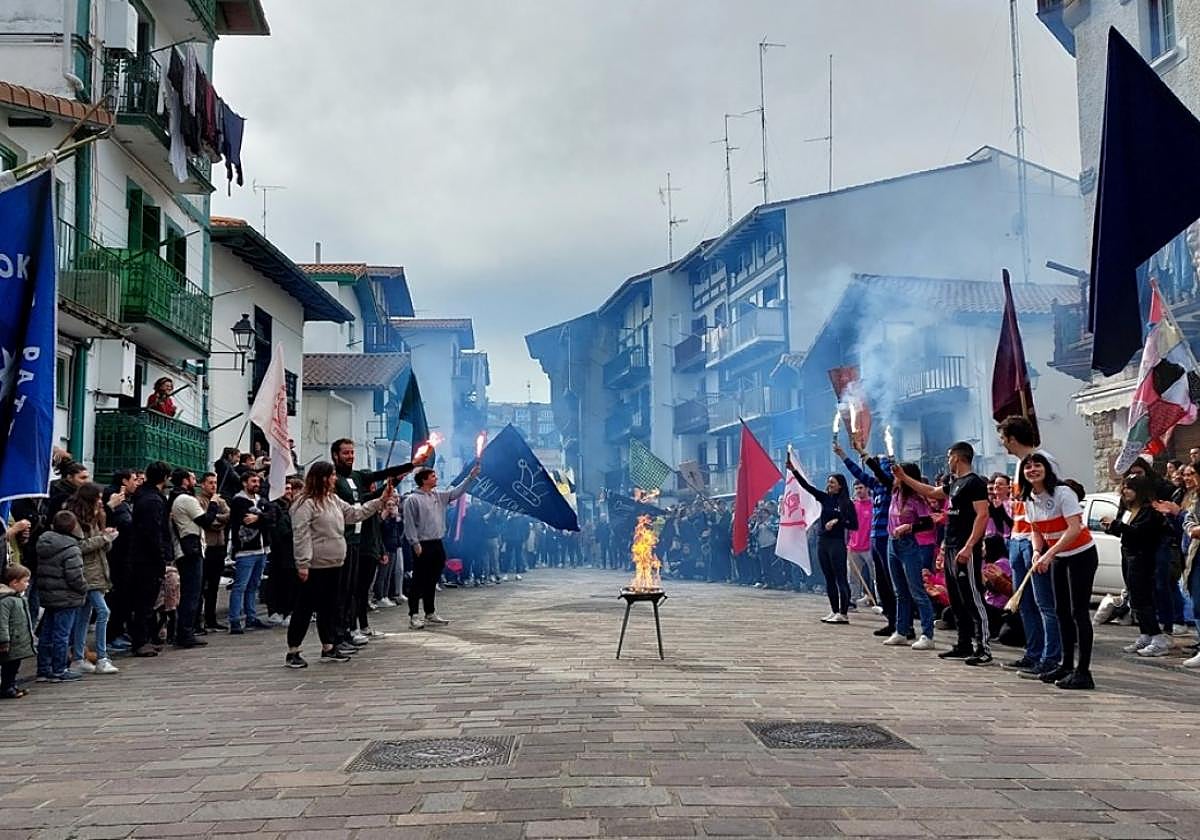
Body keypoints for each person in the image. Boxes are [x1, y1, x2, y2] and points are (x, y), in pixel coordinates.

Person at [894, 442, 992, 665]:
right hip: (951, 546)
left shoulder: (974, 482)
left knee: (972, 598)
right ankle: (963, 644)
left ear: (957, 457)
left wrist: (970, 546)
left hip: (966, 547)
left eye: (949, 456)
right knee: (956, 599)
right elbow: (930, 491)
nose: (947, 461)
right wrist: (904, 477)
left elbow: (982, 515)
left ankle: (983, 648)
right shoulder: (953, 482)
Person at [287, 462, 393, 667]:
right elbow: (301, 534)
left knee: (329, 606)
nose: (335, 479)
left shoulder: (333, 500)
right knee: (305, 607)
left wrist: (380, 501)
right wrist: (303, 563)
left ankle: (328, 646)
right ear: (322, 478)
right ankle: (294, 649)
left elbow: (355, 514)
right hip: (315, 564)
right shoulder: (305, 504)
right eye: (332, 475)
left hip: (335, 562)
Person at [329, 439, 422, 651]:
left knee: (353, 591)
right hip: (343, 540)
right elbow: (362, 501)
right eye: (345, 453)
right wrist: (383, 492)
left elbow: (383, 474)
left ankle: (348, 632)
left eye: (352, 452)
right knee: (344, 591)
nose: (350, 456)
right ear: (335, 455)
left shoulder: (357, 476)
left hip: (357, 542)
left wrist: (411, 465)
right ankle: (339, 634)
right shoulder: (335, 480)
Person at [1021, 454, 1099, 690]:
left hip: (1081, 555)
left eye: (1037, 465)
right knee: (1060, 611)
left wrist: (1049, 554)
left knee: (1079, 612)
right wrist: (1037, 551)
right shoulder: (1029, 498)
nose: (1032, 470)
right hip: (1059, 557)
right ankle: (1065, 665)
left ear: (1047, 469)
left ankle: (1083, 671)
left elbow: (1074, 529)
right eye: (1027, 466)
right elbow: (1036, 530)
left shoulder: (1063, 493)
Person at [997, 416, 1062, 680]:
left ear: (1012, 439)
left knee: (1044, 603)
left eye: (1003, 438)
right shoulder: (1018, 466)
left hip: (1036, 541)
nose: (1002, 443)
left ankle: (1051, 657)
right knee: (1024, 603)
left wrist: (1044, 545)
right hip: (1017, 537)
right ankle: (1033, 652)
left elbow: (1051, 502)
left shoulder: (1043, 461)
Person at [403, 465, 480, 630]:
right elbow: (408, 523)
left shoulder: (438, 495)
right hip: (422, 544)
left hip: (437, 542)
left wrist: (470, 478)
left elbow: (456, 493)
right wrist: (414, 543)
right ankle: (413, 615)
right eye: (433, 476)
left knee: (432, 579)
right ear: (424, 480)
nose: (436, 478)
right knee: (418, 580)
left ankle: (430, 612)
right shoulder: (412, 499)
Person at [1106, 474, 1169, 659]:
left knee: (1143, 598)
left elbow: (1140, 532)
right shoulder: (1127, 509)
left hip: (1142, 557)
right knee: (1133, 597)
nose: (1126, 491)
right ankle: (1145, 634)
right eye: (1124, 487)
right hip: (1127, 554)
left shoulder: (1149, 511)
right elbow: (1123, 532)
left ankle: (1157, 638)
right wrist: (1111, 526)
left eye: (1130, 488)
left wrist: (1118, 525)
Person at [786, 464, 858, 624]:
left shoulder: (847, 503)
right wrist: (794, 471)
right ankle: (834, 610)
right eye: (828, 482)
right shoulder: (824, 498)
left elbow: (854, 525)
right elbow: (807, 487)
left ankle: (843, 613)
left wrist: (838, 521)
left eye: (832, 482)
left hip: (837, 543)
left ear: (840, 485)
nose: (829, 485)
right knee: (829, 578)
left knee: (840, 578)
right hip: (823, 541)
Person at [837, 442, 896, 635]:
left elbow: (880, 473)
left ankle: (902, 624)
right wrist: (843, 455)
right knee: (882, 581)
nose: (875, 474)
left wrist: (863, 453)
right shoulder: (876, 486)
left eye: (880, 468)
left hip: (886, 538)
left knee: (888, 581)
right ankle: (891, 621)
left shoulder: (890, 486)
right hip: (874, 539)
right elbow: (857, 473)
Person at [65, 484, 119, 675]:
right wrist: (104, 539)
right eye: (98, 497)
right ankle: (102, 658)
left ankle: (79, 657)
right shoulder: (76, 520)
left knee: (84, 616)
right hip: (86, 572)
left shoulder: (94, 517)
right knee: (103, 611)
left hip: (97, 570)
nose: (101, 501)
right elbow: (79, 546)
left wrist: (106, 536)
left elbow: (100, 545)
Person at [884, 463, 937, 650]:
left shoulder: (916, 499)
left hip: (909, 545)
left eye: (899, 474)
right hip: (892, 543)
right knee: (900, 591)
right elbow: (878, 474)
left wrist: (910, 527)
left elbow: (928, 523)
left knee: (917, 591)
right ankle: (901, 631)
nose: (895, 477)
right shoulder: (895, 493)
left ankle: (927, 634)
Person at [169, 469, 220, 648]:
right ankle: (185, 632)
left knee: (191, 593)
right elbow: (206, 520)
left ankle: (185, 631)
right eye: (192, 478)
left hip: (187, 549)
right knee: (191, 593)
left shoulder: (177, 498)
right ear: (184, 481)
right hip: (190, 550)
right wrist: (213, 503)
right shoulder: (186, 499)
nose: (195, 481)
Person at [35, 511, 89, 682]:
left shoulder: (44, 543)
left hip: (48, 593)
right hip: (66, 596)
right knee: (62, 634)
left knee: (47, 633)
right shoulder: (71, 548)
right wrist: (84, 588)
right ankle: (59, 669)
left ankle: (43, 669)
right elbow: (74, 576)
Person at [129, 461, 173, 658]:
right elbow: (153, 533)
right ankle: (140, 641)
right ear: (164, 478)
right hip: (146, 559)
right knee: (145, 602)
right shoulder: (152, 501)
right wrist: (161, 557)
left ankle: (147, 638)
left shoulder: (146, 496)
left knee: (147, 601)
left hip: (143, 556)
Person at [227, 471, 276, 634]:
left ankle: (251, 617)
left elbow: (272, 517)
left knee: (254, 585)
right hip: (246, 549)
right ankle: (234, 620)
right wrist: (263, 518)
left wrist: (260, 518)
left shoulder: (261, 499)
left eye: (258, 481)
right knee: (240, 585)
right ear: (244, 483)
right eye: (253, 481)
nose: (257, 484)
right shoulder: (239, 501)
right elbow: (248, 521)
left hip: (262, 548)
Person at [101, 469, 137, 651]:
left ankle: (117, 632)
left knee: (123, 598)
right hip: (117, 556)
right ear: (124, 481)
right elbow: (123, 523)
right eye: (134, 480)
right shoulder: (114, 498)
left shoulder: (125, 500)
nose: (136, 484)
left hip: (123, 555)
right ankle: (110, 636)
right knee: (116, 598)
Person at [266, 477, 304, 625]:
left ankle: (288, 610)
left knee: (291, 584)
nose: (289, 492)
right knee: (283, 584)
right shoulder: (276, 508)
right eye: (286, 489)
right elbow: (282, 532)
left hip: (292, 554)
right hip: (282, 554)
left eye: (290, 489)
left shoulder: (291, 508)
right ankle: (282, 611)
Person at [195, 472, 230, 633]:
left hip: (219, 546)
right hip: (206, 547)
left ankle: (211, 619)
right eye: (210, 482)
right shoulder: (199, 500)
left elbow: (228, 515)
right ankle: (197, 620)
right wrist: (216, 516)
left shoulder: (220, 500)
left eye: (215, 482)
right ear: (203, 484)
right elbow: (207, 521)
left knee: (214, 586)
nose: (213, 486)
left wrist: (217, 517)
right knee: (201, 586)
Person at [0, 564, 34, 698]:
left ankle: (11, 685)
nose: (27, 584)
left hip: (18, 640)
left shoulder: (18, 598)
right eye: (25, 581)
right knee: (9, 665)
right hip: (11, 640)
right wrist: (4, 640)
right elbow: (2, 622)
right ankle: (7, 687)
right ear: (14, 582)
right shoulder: (6, 601)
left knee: (15, 665)